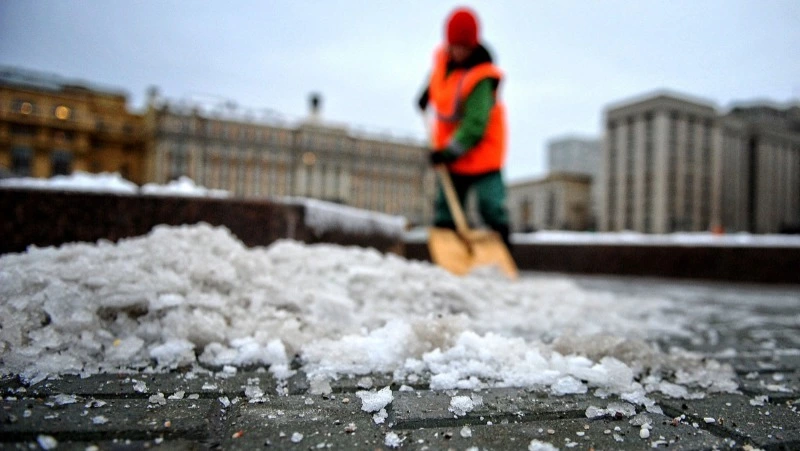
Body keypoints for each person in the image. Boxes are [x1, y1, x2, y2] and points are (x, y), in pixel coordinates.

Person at [417, 6, 512, 250]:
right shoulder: (442, 60)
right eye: (454, 46)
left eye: (464, 47)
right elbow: (437, 79)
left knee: (490, 206)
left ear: (473, 45)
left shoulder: (481, 78)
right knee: (446, 210)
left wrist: (446, 152)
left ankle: (503, 250)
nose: (458, 52)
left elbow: (475, 126)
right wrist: (426, 94)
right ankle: (449, 254)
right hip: (453, 154)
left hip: (482, 154)